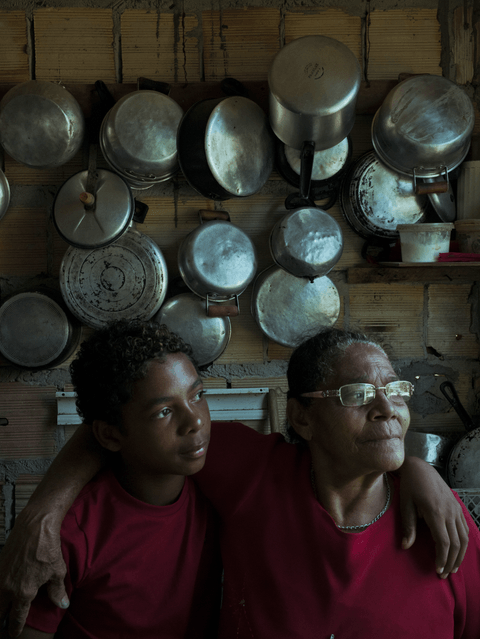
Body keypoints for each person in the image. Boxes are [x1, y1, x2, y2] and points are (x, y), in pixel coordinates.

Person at [0, 325, 471, 638]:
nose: (387, 407)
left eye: (395, 390)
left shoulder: (443, 528)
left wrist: (417, 468)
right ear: (302, 418)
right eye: (357, 394)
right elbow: (116, 430)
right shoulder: (251, 472)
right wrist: (42, 513)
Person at [16, 320, 221, 638]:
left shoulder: (221, 488)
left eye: (197, 395)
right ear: (109, 435)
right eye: (164, 412)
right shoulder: (72, 534)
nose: (195, 420)